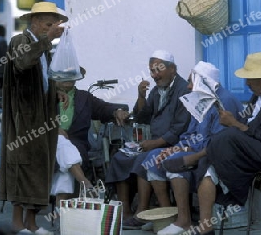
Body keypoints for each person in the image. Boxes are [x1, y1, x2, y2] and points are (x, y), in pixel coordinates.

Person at [163, 52, 261, 235]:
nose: (247, 84)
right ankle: (206, 227)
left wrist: (234, 123)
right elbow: (248, 125)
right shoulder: (260, 93)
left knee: (228, 135)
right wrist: (235, 124)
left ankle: (198, 156)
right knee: (212, 161)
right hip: (255, 147)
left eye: (250, 79)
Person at [140, 61, 243, 235]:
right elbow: (190, 134)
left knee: (175, 160)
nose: (188, 86)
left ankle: (185, 221)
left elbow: (218, 142)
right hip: (196, 149)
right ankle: (169, 218)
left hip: (216, 154)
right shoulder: (202, 100)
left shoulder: (224, 101)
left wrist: (183, 151)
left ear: (203, 82)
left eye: (191, 81)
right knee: (154, 158)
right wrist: (174, 148)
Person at [0, 2, 66, 234]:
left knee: (41, 168)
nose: (51, 29)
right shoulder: (21, 41)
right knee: (22, 166)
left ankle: (31, 222)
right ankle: (18, 223)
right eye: (48, 25)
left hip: (43, 117)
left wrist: (58, 91)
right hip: (23, 118)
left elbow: (44, 77)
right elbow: (23, 63)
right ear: (35, 22)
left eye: (53, 25)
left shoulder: (43, 47)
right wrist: (48, 39)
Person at [105, 50, 191, 230]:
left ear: (172, 69)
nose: (154, 75)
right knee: (120, 158)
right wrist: (141, 97)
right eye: (152, 71)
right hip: (153, 143)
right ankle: (126, 211)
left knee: (146, 158)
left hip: (172, 144)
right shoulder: (157, 91)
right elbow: (143, 117)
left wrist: (156, 143)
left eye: (158, 70)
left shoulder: (183, 89)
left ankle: (142, 212)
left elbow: (180, 128)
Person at [50, 66, 130, 204]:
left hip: (76, 146)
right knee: (61, 142)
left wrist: (116, 111)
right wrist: (53, 129)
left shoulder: (84, 97)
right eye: (64, 75)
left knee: (66, 166)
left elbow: (102, 108)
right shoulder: (46, 96)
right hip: (48, 144)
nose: (68, 79)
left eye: (72, 75)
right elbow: (34, 119)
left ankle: (61, 212)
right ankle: (84, 183)